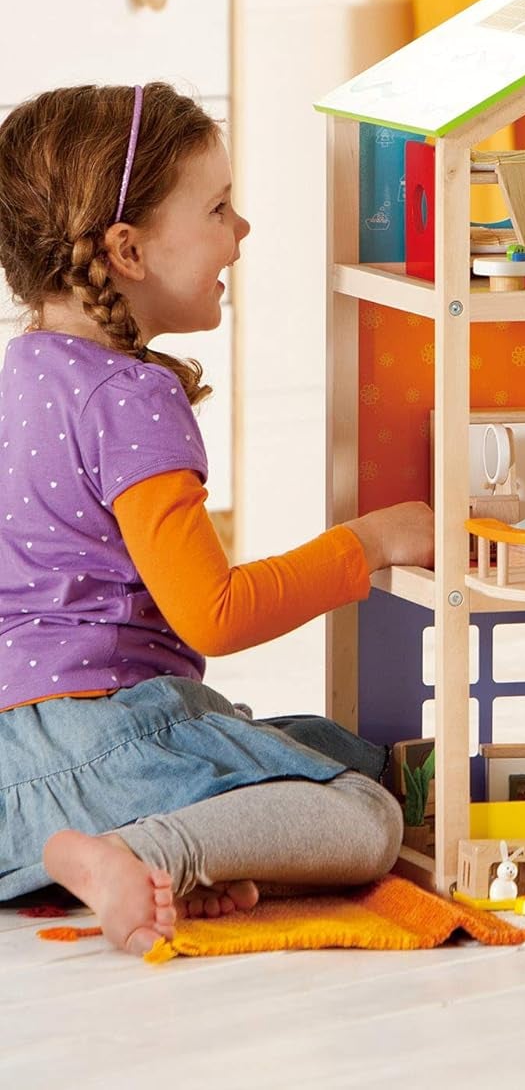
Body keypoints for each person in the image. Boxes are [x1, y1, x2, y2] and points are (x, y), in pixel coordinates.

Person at [0, 82, 435, 955]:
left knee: (322, 744)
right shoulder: (133, 397)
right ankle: (141, 851)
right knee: (365, 817)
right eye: (220, 208)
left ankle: (146, 858)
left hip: (18, 764)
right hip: (105, 736)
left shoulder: (22, 372)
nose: (243, 233)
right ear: (126, 249)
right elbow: (216, 613)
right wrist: (370, 543)